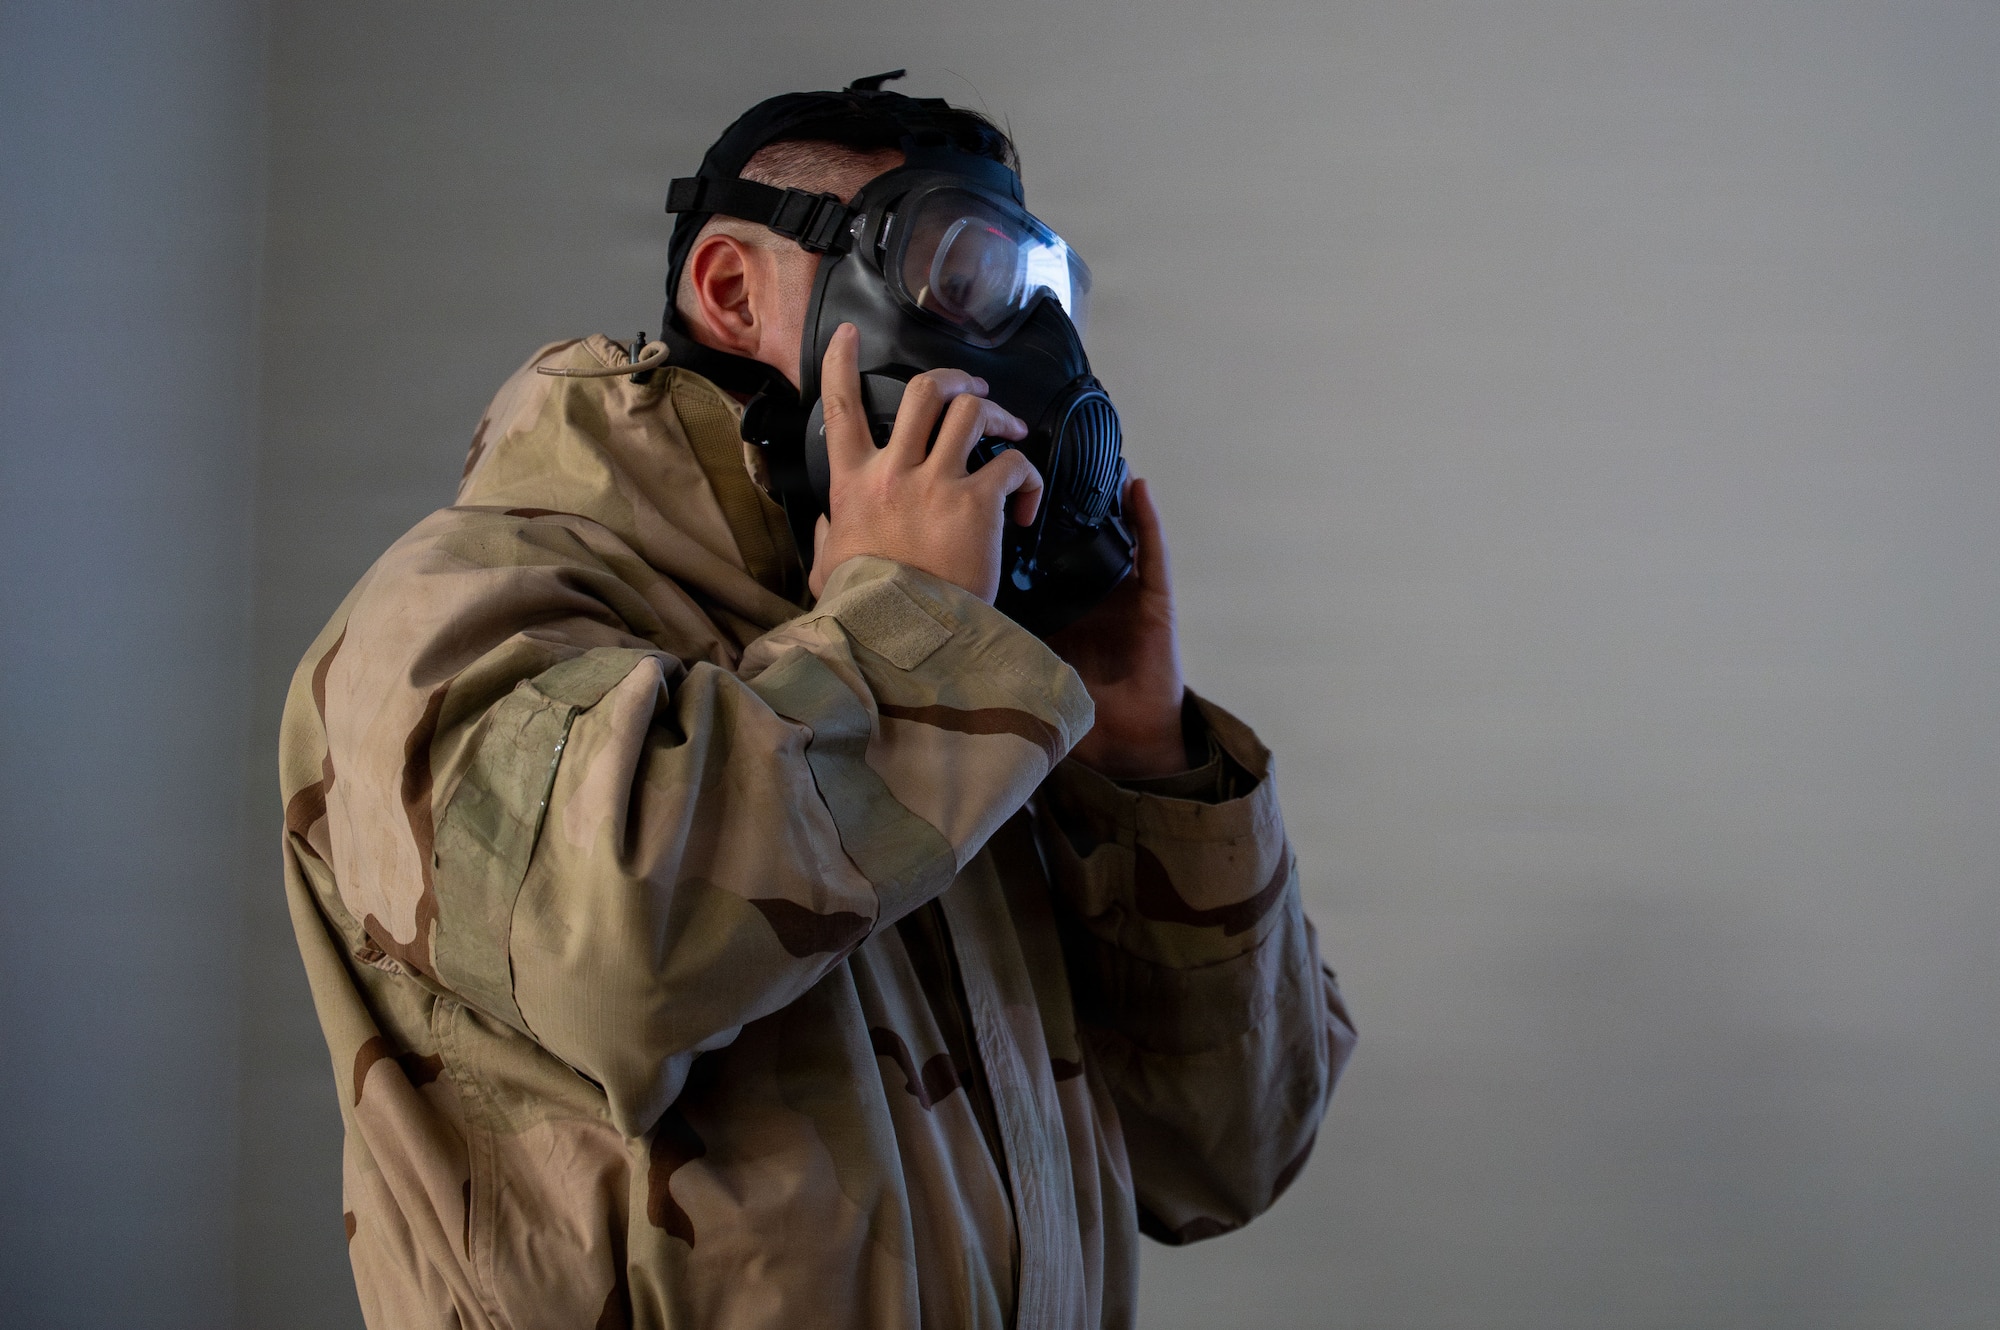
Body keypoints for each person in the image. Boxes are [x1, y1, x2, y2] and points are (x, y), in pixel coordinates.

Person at [280, 74, 1356, 1330]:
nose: (1023, 350)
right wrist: (910, 632)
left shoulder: (958, 688)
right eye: (956, 273)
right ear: (731, 290)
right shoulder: (456, 617)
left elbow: (1227, 1156)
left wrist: (1141, 761)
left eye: (1035, 298)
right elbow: (616, 962)